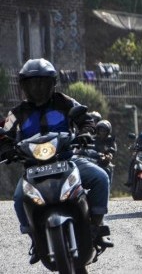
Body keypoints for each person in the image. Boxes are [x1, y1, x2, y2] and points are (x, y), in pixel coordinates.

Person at [0, 58, 112, 264]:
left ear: (52, 83)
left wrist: (85, 133)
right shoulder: (16, 113)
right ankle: (35, 239)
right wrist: (6, 148)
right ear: (24, 86)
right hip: (33, 168)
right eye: (32, 83)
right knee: (18, 199)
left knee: (100, 177)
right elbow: (4, 134)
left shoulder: (65, 102)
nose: (38, 87)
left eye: (42, 82)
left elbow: (85, 120)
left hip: (68, 160)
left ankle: (96, 225)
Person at [94, 120, 117, 186]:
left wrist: (109, 154)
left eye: (104, 131)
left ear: (108, 131)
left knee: (109, 168)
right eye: (100, 130)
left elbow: (113, 149)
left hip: (104, 162)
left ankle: (107, 187)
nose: (102, 133)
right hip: (92, 160)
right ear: (97, 131)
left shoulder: (110, 140)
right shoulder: (93, 139)